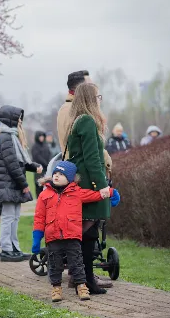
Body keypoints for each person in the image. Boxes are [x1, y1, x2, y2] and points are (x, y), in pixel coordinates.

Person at [32, 161, 120, 302]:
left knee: (77, 263)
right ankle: (56, 289)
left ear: (70, 178)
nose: (56, 176)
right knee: (54, 264)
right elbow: (39, 217)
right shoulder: (45, 195)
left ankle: (81, 286)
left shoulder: (76, 193)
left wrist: (110, 192)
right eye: (55, 173)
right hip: (53, 237)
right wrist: (37, 238)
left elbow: (95, 195)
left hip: (72, 236)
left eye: (61, 174)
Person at [56, 71, 113, 289]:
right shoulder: (88, 122)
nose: (99, 101)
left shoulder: (79, 120)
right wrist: (102, 187)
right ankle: (85, 279)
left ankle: (83, 278)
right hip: (90, 182)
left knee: (85, 233)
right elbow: (92, 159)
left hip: (84, 180)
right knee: (87, 234)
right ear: (91, 100)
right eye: (98, 98)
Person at [0, 105, 42, 262]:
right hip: (8, 184)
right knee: (8, 217)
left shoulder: (12, 136)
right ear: (10, 118)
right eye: (18, 117)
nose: (20, 120)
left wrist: (34, 167)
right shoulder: (6, 137)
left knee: (14, 217)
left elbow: (21, 162)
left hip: (12, 183)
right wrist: (23, 184)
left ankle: (14, 247)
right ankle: (6, 249)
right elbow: (12, 164)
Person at [31, 131, 51, 198]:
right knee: (39, 185)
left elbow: (49, 154)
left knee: (46, 185)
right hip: (38, 169)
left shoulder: (46, 145)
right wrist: (44, 163)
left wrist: (48, 163)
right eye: (40, 136)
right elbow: (36, 157)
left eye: (43, 136)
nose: (41, 138)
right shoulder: (35, 146)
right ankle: (39, 200)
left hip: (46, 169)